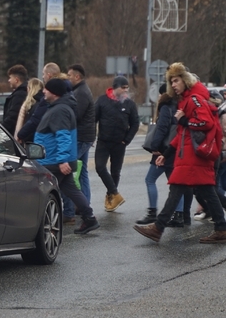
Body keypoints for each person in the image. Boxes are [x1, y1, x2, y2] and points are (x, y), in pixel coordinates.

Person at [134, 63, 226, 243]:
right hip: (192, 155)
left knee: (179, 188)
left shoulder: (193, 99)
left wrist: (184, 120)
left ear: (185, 80)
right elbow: (182, 135)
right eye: (171, 82)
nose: (174, 85)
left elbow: (205, 123)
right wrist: (167, 152)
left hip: (194, 156)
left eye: (176, 80)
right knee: (207, 191)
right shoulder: (189, 99)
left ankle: (158, 227)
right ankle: (221, 228)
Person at [33, 78, 100, 234]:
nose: (43, 91)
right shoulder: (61, 107)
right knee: (71, 190)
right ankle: (89, 218)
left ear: (55, 93)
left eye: (46, 89)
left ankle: (40, 225)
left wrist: (62, 160)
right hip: (58, 159)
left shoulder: (60, 110)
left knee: (41, 190)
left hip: (53, 160)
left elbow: (63, 136)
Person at [138, 82, 188, 226]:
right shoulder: (179, 106)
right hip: (176, 149)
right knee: (175, 183)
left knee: (150, 179)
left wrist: (155, 146)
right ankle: (179, 216)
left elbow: (162, 128)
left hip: (163, 150)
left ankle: (152, 212)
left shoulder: (166, 107)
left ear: (163, 94)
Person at [94, 75, 139, 212]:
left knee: (115, 172)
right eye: (123, 87)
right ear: (115, 88)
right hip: (103, 141)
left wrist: (127, 140)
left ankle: (110, 197)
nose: (126, 90)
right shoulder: (102, 101)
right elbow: (93, 119)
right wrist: (91, 136)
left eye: (127, 87)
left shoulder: (129, 104)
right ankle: (115, 193)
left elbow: (135, 123)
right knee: (100, 167)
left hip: (120, 143)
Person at [62, 64, 96, 223]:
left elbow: (76, 115)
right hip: (85, 136)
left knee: (68, 171)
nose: (68, 78)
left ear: (77, 77)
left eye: (69, 75)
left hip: (81, 137)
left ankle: (70, 211)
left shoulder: (81, 92)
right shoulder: (81, 90)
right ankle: (84, 207)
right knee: (82, 173)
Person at [16, 62, 65, 143]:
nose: (44, 91)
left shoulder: (46, 101)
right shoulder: (67, 91)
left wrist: (20, 135)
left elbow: (36, 119)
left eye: (43, 74)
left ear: (49, 75)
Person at [15, 78, 43, 142]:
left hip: (31, 141)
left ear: (30, 89)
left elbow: (32, 123)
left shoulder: (31, 106)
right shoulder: (43, 103)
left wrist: (20, 136)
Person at [2, 65, 28, 135]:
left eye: (10, 78)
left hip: (13, 135)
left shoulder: (19, 95)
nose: (9, 80)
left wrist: (1, 130)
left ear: (16, 80)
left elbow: (12, 117)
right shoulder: (23, 92)